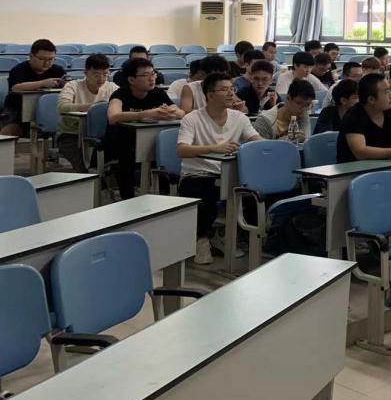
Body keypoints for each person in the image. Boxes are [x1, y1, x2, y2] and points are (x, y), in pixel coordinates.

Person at [176, 73, 261, 264]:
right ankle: (201, 239)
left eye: (232, 89)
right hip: (197, 174)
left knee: (254, 193)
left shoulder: (239, 117)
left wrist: (276, 146)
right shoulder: (192, 119)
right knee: (205, 193)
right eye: (224, 90)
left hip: (230, 175)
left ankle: (225, 235)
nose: (231, 94)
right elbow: (181, 150)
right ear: (210, 95)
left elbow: (256, 141)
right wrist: (214, 148)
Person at [106, 58, 183, 201]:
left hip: (150, 142)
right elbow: (113, 117)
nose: (151, 78)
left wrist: (169, 113)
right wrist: (147, 113)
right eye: (145, 75)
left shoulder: (158, 93)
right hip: (122, 143)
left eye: (153, 74)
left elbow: (180, 113)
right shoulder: (120, 94)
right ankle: (128, 201)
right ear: (131, 79)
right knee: (126, 156)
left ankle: (165, 196)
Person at [56, 53, 118, 173]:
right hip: (71, 135)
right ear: (86, 73)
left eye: (105, 74)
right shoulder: (73, 86)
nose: (101, 79)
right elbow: (62, 107)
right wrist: (94, 108)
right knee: (84, 166)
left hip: (101, 135)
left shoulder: (112, 87)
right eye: (96, 74)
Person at [0, 39, 66, 137]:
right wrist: (43, 83)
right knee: (10, 130)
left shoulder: (58, 70)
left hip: (48, 108)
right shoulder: (19, 69)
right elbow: (16, 88)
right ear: (31, 56)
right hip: (17, 107)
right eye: (42, 59)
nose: (47, 63)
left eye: (51, 59)